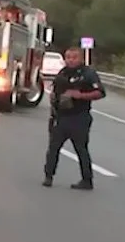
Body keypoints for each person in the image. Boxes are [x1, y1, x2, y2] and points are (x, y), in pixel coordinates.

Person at [43, 46, 107, 190]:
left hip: (79, 117)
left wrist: (80, 95)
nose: (70, 60)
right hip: (61, 116)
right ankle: (48, 176)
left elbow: (100, 93)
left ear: (81, 58)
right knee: (53, 148)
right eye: (68, 57)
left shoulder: (88, 73)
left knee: (81, 150)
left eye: (74, 57)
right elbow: (55, 90)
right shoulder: (63, 73)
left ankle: (87, 180)